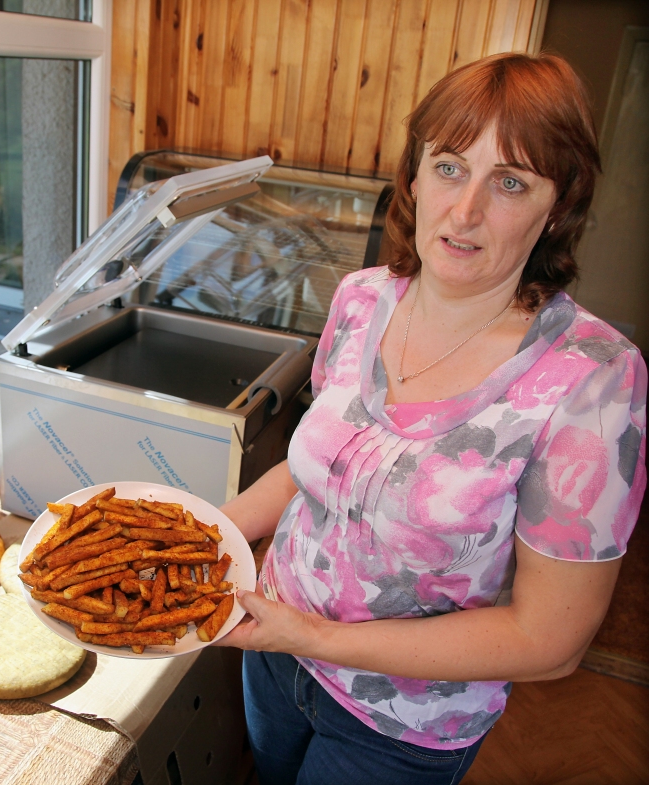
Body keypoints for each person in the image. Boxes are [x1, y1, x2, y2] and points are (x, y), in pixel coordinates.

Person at [218, 51, 647, 785]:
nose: (466, 209)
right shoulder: (360, 299)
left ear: (558, 205)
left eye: (510, 181)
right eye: (449, 166)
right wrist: (201, 532)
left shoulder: (594, 379)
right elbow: (313, 470)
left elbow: (549, 640)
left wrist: (318, 635)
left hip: (401, 725)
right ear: (414, 172)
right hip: (276, 656)